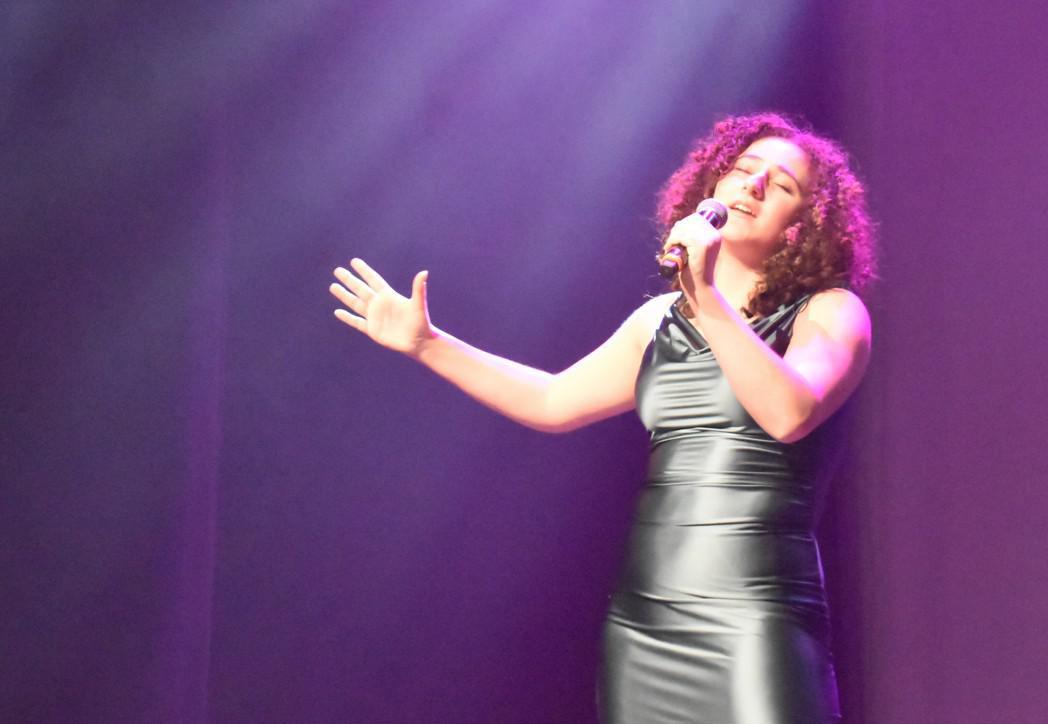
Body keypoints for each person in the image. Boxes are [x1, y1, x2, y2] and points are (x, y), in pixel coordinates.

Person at [329, 112, 877, 724]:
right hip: (648, 623)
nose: (753, 184)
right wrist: (429, 344)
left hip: (758, 617)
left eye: (780, 184)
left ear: (803, 227)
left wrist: (706, 296)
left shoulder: (830, 312)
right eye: (743, 170)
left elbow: (789, 413)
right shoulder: (659, 321)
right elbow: (553, 401)